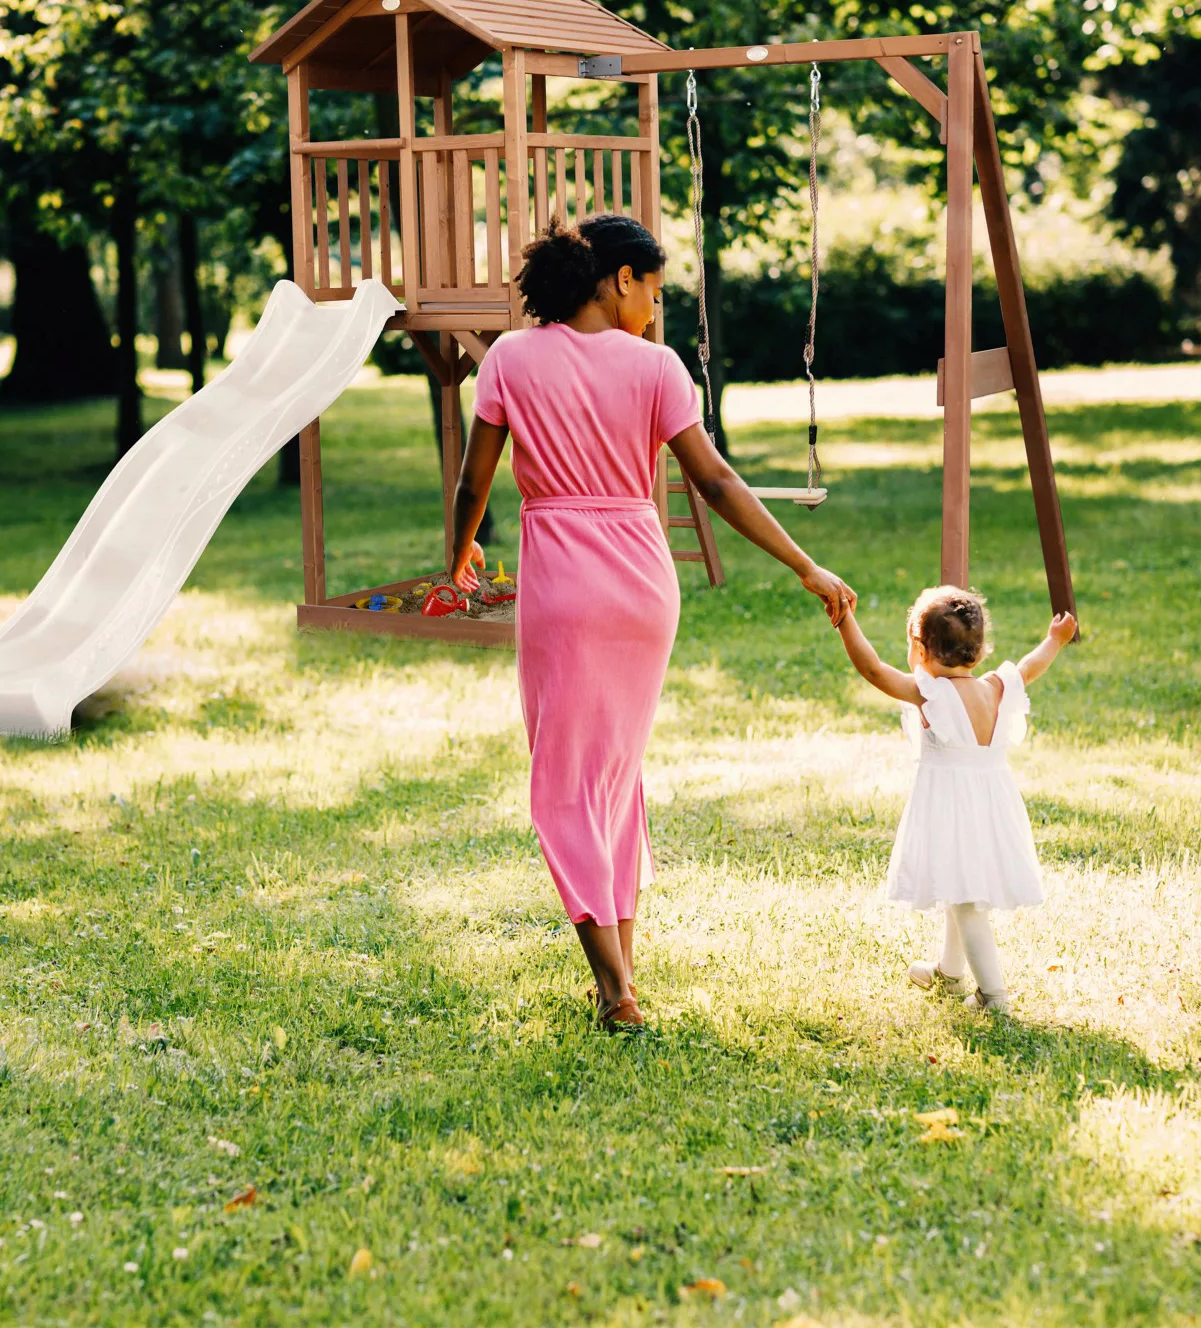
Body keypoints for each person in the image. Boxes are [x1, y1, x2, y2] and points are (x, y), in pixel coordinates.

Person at [449, 214, 855, 1032]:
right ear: (619, 279)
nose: (656, 311)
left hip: (562, 581)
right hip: (641, 582)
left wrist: (456, 558)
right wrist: (803, 564)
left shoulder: (510, 359)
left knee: (565, 783)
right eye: (655, 291)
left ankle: (614, 990)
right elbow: (715, 483)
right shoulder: (658, 368)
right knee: (613, 777)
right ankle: (622, 973)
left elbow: (473, 483)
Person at [834, 585, 1079, 1012]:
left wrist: (845, 620)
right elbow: (1030, 666)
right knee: (957, 884)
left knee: (967, 902)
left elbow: (872, 669)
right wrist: (1054, 640)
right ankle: (949, 972)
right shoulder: (996, 687)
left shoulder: (930, 694)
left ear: (921, 649)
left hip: (952, 808)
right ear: (980, 651)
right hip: (991, 805)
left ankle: (993, 997)